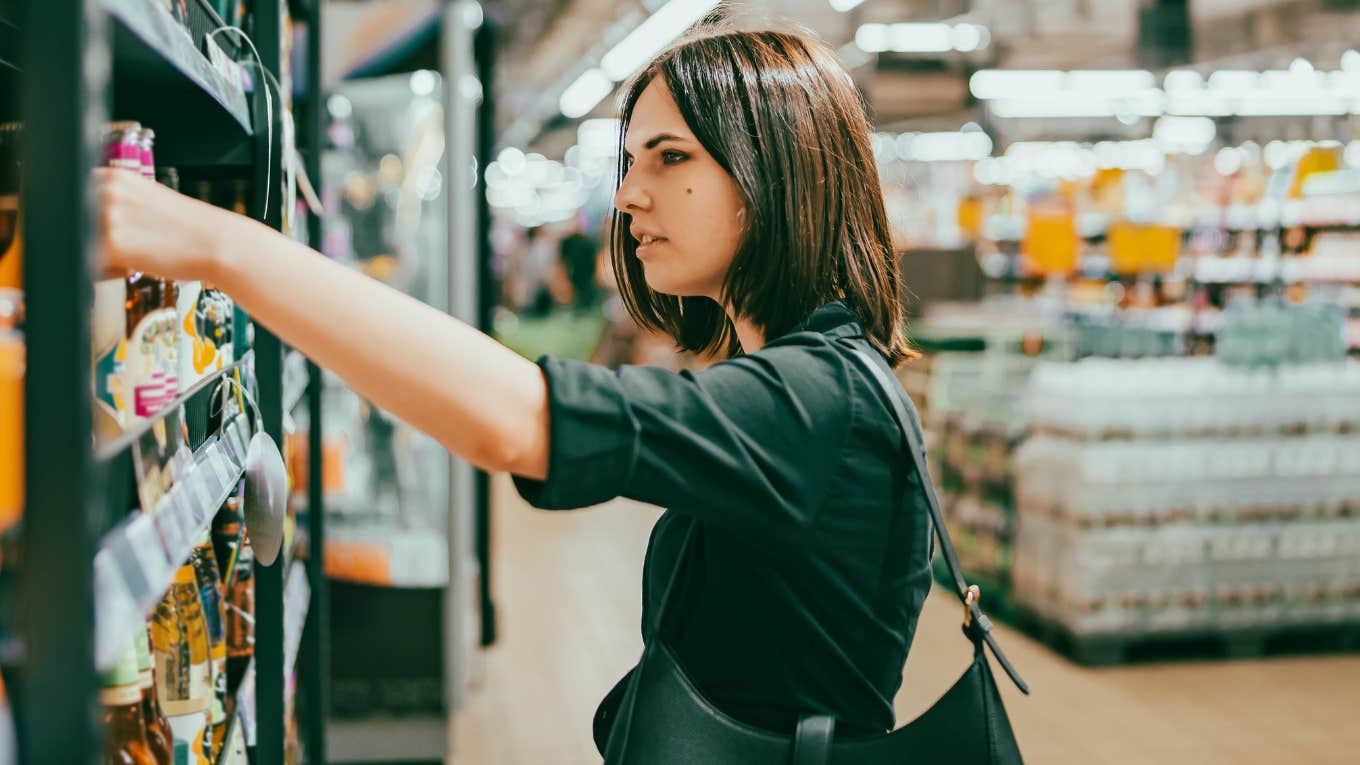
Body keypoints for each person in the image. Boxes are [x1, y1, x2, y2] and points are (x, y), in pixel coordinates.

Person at [98, 26, 931, 753]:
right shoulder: (819, 381)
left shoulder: (823, 400)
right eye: (629, 160)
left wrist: (218, 246)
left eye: (671, 157)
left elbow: (525, 419)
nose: (630, 193)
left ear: (778, 173)